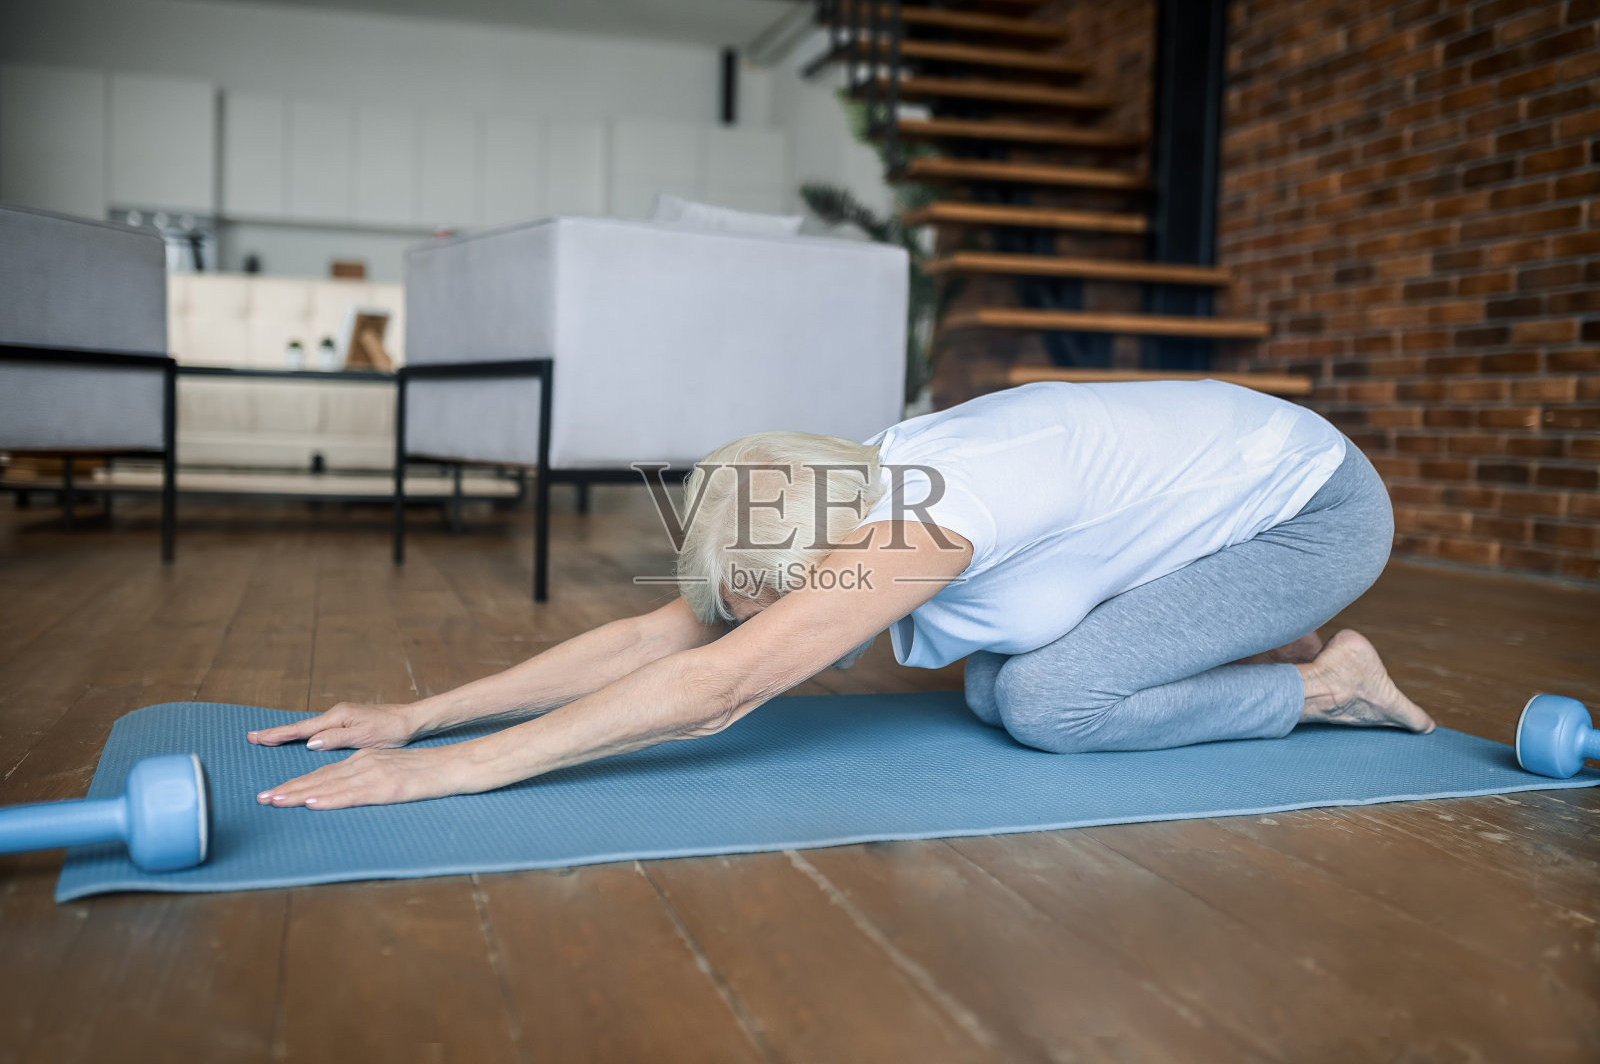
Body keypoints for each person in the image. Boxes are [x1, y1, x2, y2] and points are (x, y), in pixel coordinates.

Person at [249, 380, 1434, 810]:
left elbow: (712, 689)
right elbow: (661, 633)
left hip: (1309, 508)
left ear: (848, 550)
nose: (764, 619)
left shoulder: (922, 518)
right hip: (1197, 501)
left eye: (780, 600)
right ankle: (1257, 637)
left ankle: (1327, 683)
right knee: (989, 679)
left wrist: (447, 777)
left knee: (1044, 703)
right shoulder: (833, 485)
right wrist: (421, 717)